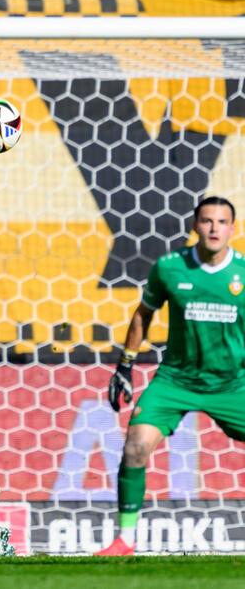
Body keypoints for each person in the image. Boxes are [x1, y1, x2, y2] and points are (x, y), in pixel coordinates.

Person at [97, 197, 245, 556]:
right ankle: (125, 541)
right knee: (135, 446)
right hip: (176, 380)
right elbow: (142, 314)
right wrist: (125, 365)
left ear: (233, 229)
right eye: (207, 221)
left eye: (222, 222)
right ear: (195, 226)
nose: (214, 228)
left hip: (232, 384)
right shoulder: (169, 267)